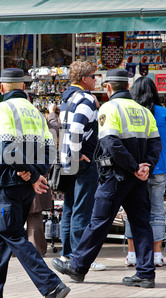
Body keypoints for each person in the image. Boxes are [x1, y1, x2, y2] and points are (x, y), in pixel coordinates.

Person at [52, 68, 162, 288]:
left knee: (98, 221)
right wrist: (145, 166)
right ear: (128, 87)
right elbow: (156, 143)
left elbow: (111, 142)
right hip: (138, 178)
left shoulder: (109, 108)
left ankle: (77, 266)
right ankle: (146, 274)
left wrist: (132, 167)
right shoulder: (143, 110)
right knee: (141, 224)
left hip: (115, 176)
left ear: (109, 87)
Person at [0, 68, 70, 298]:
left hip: (9, 182)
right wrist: (36, 173)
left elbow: (6, 147)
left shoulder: (1, 107)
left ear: (3, 87)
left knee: (12, 233)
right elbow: (50, 149)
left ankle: (51, 285)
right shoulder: (35, 112)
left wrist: (30, 173)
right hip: (26, 185)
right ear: (24, 87)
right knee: (2, 235)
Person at [124, 76, 166, 267]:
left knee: (133, 210)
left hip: (136, 168)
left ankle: (132, 254)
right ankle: (156, 255)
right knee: (157, 211)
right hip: (159, 167)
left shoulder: (131, 112)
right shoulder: (163, 112)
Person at [58, 60, 105, 271]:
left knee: (69, 207)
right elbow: (76, 128)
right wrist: (76, 155)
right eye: (94, 76)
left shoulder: (67, 98)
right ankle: (80, 257)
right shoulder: (85, 99)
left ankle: (67, 253)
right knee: (82, 210)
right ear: (85, 79)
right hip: (82, 160)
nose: (96, 80)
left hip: (67, 160)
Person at [27, 103, 59, 256]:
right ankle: (36, 249)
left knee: (14, 212)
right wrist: (52, 113)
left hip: (14, 169)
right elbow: (53, 133)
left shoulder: (8, 115)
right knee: (34, 213)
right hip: (36, 169)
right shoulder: (36, 116)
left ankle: (12, 248)